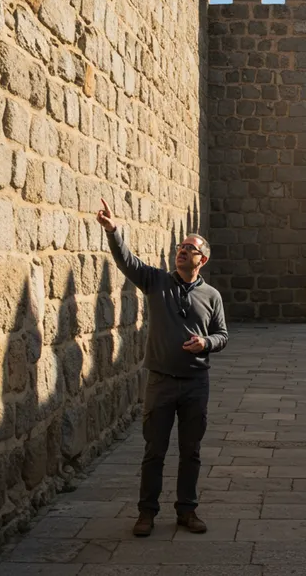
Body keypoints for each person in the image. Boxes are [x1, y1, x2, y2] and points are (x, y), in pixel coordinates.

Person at [96, 198, 229, 537]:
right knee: (154, 451)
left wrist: (206, 343)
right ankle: (146, 514)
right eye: (180, 247)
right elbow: (128, 262)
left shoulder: (212, 296)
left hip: (196, 383)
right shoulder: (157, 282)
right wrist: (114, 232)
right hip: (161, 382)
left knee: (191, 452)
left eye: (190, 248)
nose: (182, 251)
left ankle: (187, 511)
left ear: (203, 259)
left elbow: (222, 334)